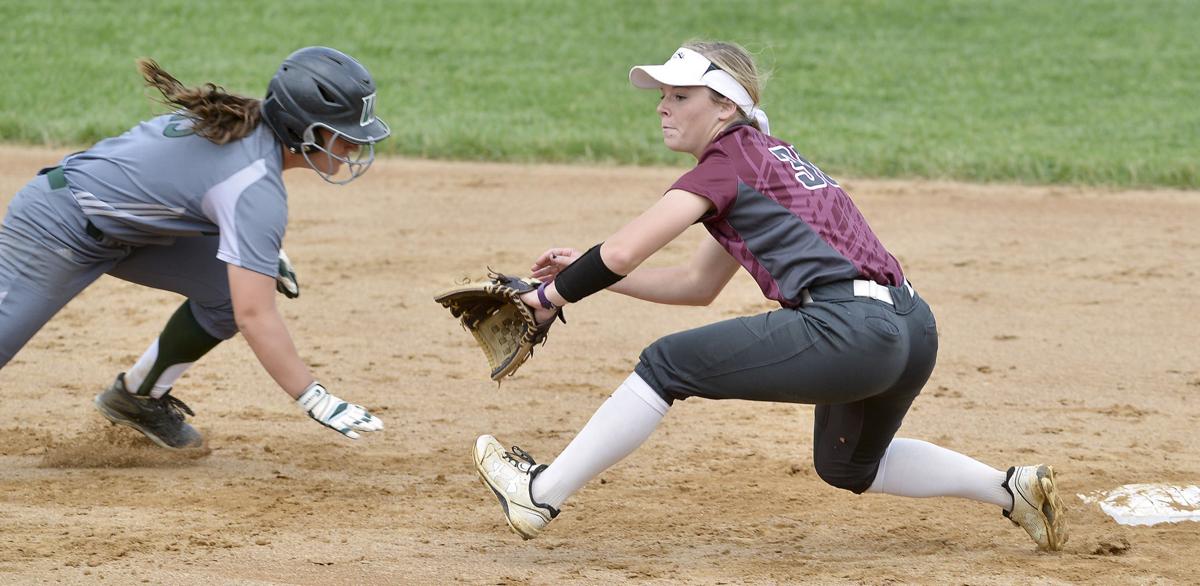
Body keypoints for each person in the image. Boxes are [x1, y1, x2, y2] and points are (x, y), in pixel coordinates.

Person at [472, 41, 1067, 551]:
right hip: (910, 327)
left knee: (664, 364)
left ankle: (539, 495)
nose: (662, 106)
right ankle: (1010, 490)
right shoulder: (769, 160)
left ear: (725, 104)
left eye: (681, 96)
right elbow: (695, 286)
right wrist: (587, 271)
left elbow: (624, 250)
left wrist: (551, 296)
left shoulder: (722, 165)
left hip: (851, 331)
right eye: (662, 95)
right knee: (847, 465)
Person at [0, 46, 388, 449]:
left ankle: (137, 399)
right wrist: (314, 397)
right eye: (344, 136)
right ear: (300, 129)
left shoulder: (249, 123)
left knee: (225, 291)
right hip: (56, 224)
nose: (353, 148)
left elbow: (190, 193)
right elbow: (254, 315)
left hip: (132, 230)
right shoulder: (256, 186)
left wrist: (260, 256)